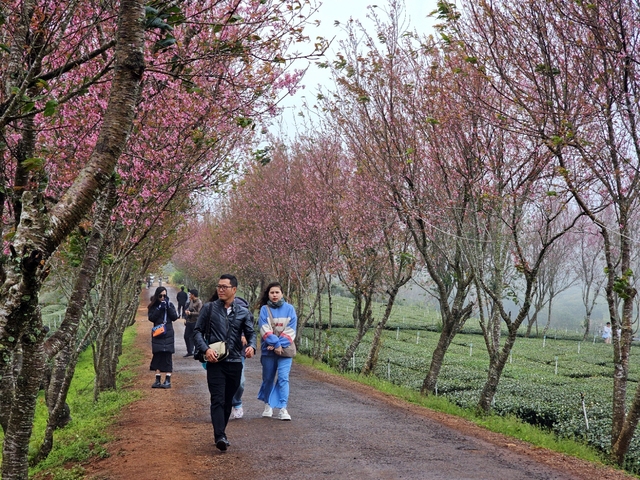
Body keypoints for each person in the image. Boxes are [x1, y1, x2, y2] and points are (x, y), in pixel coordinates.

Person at [193, 274, 256, 451]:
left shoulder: (243, 312)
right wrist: (206, 349)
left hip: (235, 361)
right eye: (219, 286)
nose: (220, 289)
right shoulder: (209, 308)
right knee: (218, 399)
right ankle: (220, 435)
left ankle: (221, 431)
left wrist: (251, 346)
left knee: (228, 400)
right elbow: (197, 331)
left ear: (234, 290)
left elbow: (251, 333)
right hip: (215, 361)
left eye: (224, 287)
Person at [257, 281, 297, 421]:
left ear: (282, 294)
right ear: (268, 294)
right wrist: (275, 344)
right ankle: (268, 405)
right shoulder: (264, 310)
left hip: (285, 351)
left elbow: (291, 330)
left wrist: (278, 345)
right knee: (268, 378)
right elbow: (264, 329)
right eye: (272, 293)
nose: (274, 295)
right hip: (268, 350)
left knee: (283, 378)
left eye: (277, 292)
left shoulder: (290, 309)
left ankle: (283, 408)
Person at [148, 286, 179, 388]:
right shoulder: (153, 306)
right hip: (158, 333)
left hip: (168, 333)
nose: (162, 298)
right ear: (157, 296)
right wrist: (159, 309)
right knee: (158, 355)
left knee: (167, 356)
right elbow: (151, 318)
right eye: (160, 295)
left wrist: (168, 307)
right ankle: (157, 379)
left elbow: (175, 317)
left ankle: (168, 380)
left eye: (164, 296)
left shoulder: (169, 305)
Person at [183, 289, 202, 357]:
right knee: (186, 336)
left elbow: (200, 313)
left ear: (193, 295)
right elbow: (188, 308)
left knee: (195, 337)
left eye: (190, 294)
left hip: (195, 322)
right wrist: (187, 314)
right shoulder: (191, 301)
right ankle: (189, 351)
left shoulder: (199, 302)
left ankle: (196, 351)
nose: (189, 295)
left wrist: (191, 313)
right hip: (189, 321)